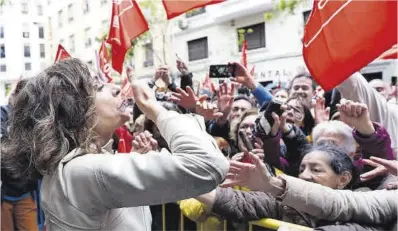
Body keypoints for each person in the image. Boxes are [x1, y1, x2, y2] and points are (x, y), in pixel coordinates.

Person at [1, 58, 229, 230]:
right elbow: (207, 164)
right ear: (76, 112)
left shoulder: (82, 166)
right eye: (99, 87)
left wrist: (132, 158)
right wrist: (154, 108)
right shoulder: (83, 171)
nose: (116, 88)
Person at [196, 144, 390, 230]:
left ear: (343, 179)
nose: (305, 175)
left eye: (316, 170)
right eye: (302, 168)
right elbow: (240, 202)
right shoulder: (287, 200)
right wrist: (184, 184)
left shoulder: (366, 204)